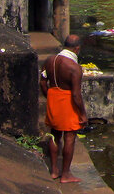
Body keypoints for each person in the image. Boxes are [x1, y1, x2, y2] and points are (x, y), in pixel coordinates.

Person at [40, 34, 88, 183]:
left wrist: (50, 96)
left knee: (54, 134)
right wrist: (83, 114)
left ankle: (54, 170)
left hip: (54, 96)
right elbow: (76, 95)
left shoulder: (50, 61)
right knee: (70, 137)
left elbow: (42, 82)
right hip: (68, 100)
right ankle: (66, 174)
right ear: (77, 48)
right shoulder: (75, 68)